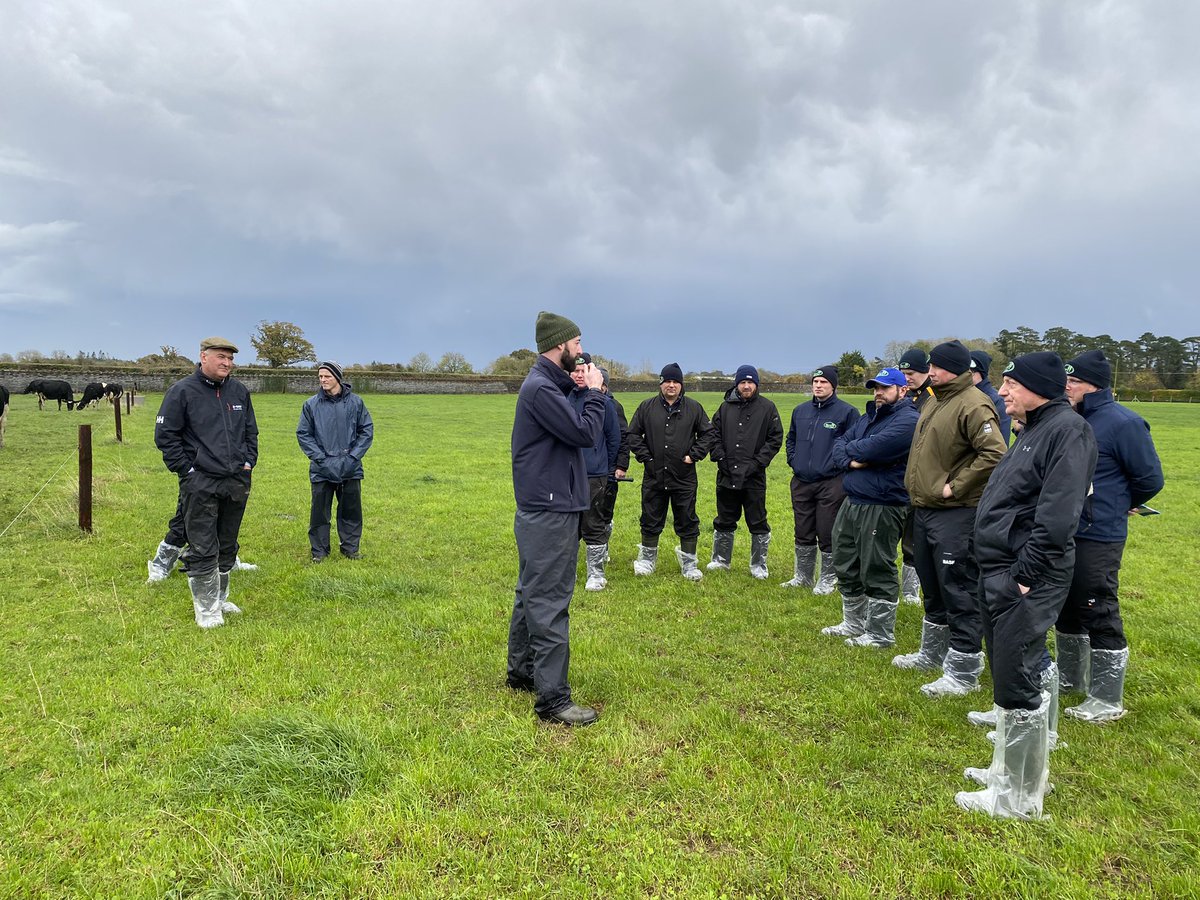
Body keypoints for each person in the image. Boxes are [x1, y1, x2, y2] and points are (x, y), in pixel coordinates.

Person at [956, 352, 1096, 820]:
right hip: (1001, 568)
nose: (1003, 391)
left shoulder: (1068, 431)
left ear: (1037, 387)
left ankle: (1017, 799)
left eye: (1012, 384)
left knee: (1018, 675)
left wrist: (1024, 577)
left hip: (1024, 574)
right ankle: (1005, 771)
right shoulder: (1033, 429)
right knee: (1009, 667)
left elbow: (1058, 516)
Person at [506, 311, 607, 727]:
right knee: (549, 599)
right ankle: (553, 700)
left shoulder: (546, 385)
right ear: (559, 344)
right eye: (577, 343)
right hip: (550, 510)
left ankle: (522, 672)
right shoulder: (540, 389)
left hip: (544, 506)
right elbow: (584, 433)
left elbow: (565, 422)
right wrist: (595, 393)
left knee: (530, 591)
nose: (581, 351)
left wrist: (577, 386)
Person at [1056, 349, 1164, 723]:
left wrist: (1119, 503)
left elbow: (1150, 478)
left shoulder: (1124, 423)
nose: (1067, 386)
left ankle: (1106, 698)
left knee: (1096, 605)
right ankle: (1071, 679)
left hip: (1100, 533)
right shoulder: (1071, 419)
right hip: (1066, 529)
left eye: (1074, 381)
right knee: (1066, 604)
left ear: (1096, 386)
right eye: (1065, 379)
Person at [896, 340, 1007, 696]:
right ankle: (931, 654)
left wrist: (954, 487)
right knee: (932, 586)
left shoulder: (974, 403)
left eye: (937, 366)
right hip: (925, 508)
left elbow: (994, 453)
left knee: (958, 589)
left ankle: (963, 671)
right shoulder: (934, 399)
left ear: (956, 369)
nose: (930, 372)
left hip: (956, 513)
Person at [153, 337, 258, 629]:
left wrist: (248, 462)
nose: (227, 363)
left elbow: (250, 431)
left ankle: (220, 599)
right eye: (221, 357)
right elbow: (166, 436)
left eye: (230, 358)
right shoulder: (182, 391)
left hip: (235, 479)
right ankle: (206, 609)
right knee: (202, 545)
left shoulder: (238, 391)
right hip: (200, 481)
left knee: (227, 543)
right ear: (203, 357)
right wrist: (187, 470)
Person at [820, 368, 918, 646]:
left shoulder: (909, 420)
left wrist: (857, 452)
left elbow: (872, 449)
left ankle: (879, 633)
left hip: (883, 503)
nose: (878, 393)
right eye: (875, 388)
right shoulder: (870, 417)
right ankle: (853, 623)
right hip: (853, 499)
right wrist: (852, 460)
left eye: (885, 388)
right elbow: (839, 444)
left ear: (903, 390)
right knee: (845, 559)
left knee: (876, 566)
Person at [627, 363, 713, 581]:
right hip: (654, 475)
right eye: (667, 381)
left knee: (687, 519)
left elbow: (708, 434)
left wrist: (693, 455)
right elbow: (632, 435)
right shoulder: (647, 407)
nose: (671, 385)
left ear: (681, 385)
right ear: (661, 384)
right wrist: (646, 457)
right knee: (650, 518)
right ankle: (647, 561)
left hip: (683, 476)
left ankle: (689, 565)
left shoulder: (694, 408)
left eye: (675, 382)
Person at [781, 365, 860, 591]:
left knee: (827, 531)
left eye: (823, 382)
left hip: (831, 482)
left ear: (833, 386)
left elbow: (853, 444)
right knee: (802, 529)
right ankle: (803, 576)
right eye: (815, 382)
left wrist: (837, 464)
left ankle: (828, 578)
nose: (818, 385)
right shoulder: (800, 411)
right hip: (801, 481)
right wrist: (794, 460)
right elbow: (791, 439)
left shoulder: (847, 412)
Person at [706, 365, 784, 578]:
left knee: (757, 520)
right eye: (742, 382)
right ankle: (721, 560)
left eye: (750, 382)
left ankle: (758, 565)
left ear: (756, 384)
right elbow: (713, 435)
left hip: (753, 476)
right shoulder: (725, 407)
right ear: (736, 384)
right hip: (727, 473)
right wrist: (720, 458)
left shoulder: (767, 408)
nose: (746, 386)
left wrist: (757, 463)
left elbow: (775, 438)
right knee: (725, 518)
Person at [296, 360, 375, 562]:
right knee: (319, 513)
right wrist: (321, 459)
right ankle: (319, 551)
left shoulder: (356, 403)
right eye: (320, 376)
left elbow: (366, 430)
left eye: (327, 376)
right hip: (322, 467)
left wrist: (353, 457)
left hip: (350, 466)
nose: (323, 380)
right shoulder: (311, 405)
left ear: (338, 378)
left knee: (351, 510)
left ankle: (350, 548)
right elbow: (304, 434)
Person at [568, 353, 622, 591]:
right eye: (575, 371)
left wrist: (607, 469)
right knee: (568, 526)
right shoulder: (563, 398)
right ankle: (566, 572)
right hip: (567, 473)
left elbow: (613, 438)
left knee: (593, 523)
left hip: (594, 474)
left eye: (583, 371)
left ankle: (596, 574)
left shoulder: (605, 402)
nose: (579, 376)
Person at [896, 347, 936, 604]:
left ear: (925, 372)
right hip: (897, 472)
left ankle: (911, 590)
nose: (907, 378)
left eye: (911, 373)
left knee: (912, 536)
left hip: (920, 474)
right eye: (903, 373)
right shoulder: (903, 395)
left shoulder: (933, 397)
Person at [146, 492, 258, 583]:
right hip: (199, 477)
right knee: (186, 520)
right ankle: (161, 565)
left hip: (228, 475)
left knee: (226, 520)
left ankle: (228, 562)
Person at [970, 350, 1012, 444]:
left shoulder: (997, 400)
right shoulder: (961, 395)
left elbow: (1002, 440)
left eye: (971, 371)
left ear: (980, 373)